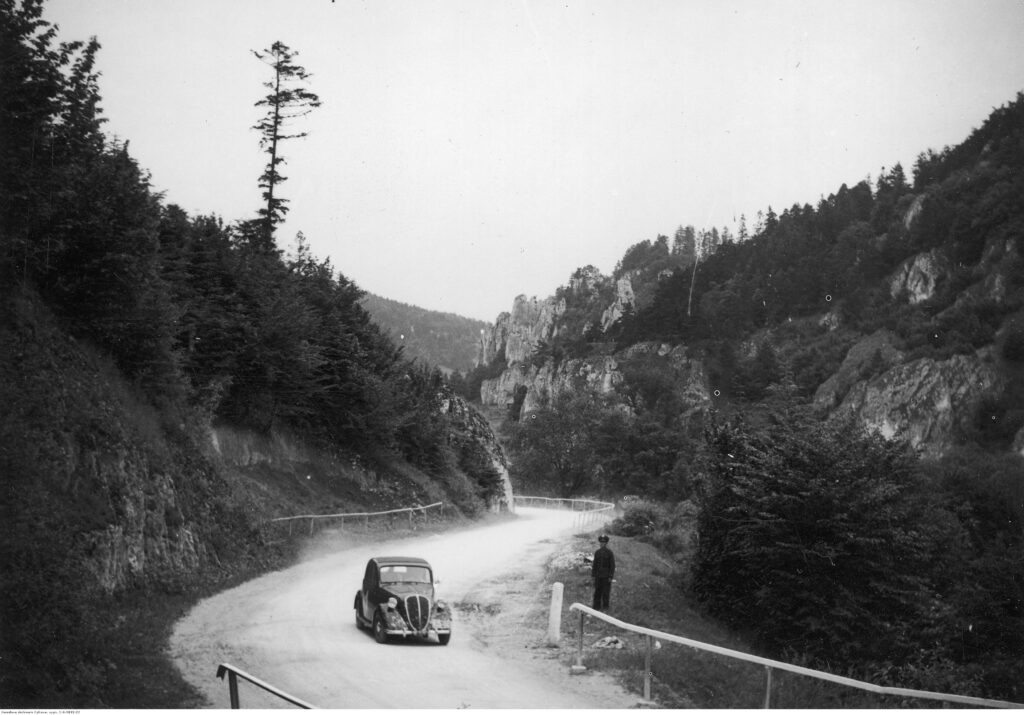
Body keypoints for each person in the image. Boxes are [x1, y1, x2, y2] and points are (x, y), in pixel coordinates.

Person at [591, 534, 615, 611]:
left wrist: (610, 576)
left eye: (604, 542)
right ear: (599, 543)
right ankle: (596, 607)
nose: (602, 544)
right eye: (601, 542)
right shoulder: (597, 552)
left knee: (605, 592)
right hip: (598, 576)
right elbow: (594, 564)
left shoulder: (609, 553)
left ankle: (605, 607)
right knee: (597, 591)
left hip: (606, 576)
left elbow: (612, 565)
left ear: (606, 543)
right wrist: (593, 575)